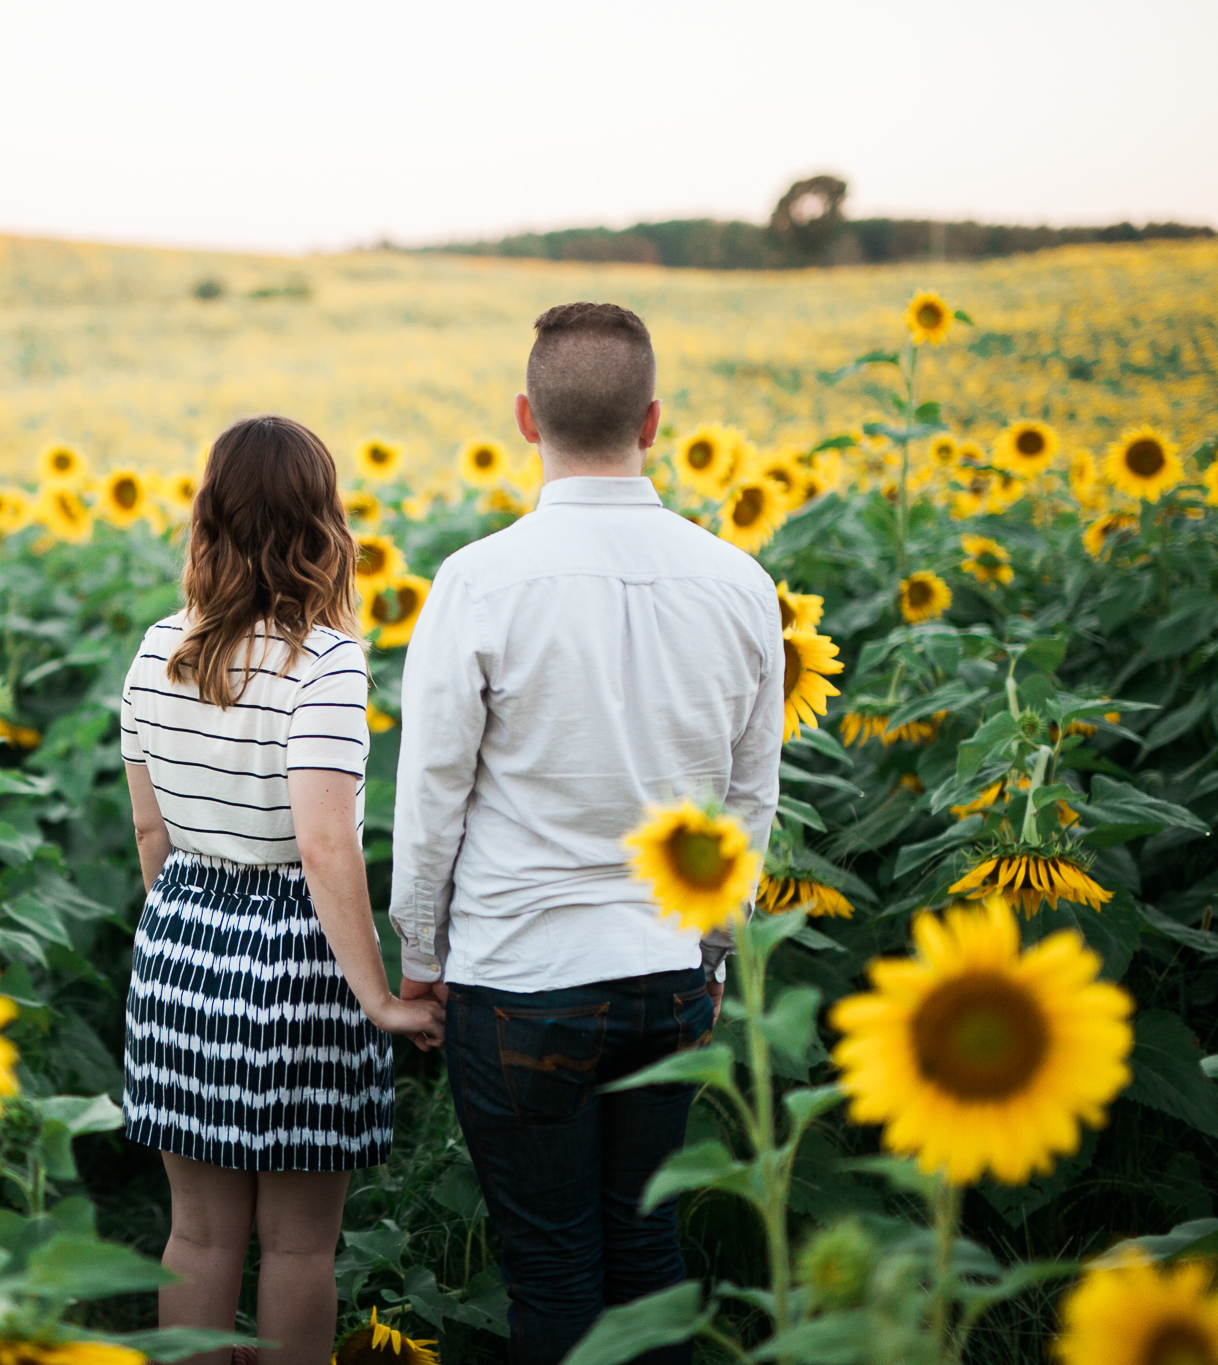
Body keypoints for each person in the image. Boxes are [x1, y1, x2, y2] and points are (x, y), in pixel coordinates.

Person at [389, 302, 783, 1365]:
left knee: (553, 1270)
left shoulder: (479, 581)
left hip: (519, 979)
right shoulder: (740, 584)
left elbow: (429, 794)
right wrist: (713, 954)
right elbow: (751, 801)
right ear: (652, 420)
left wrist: (418, 960)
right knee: (645, 1258)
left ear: (525, 417)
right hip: (664, 972)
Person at [120, 414, 445, 1365]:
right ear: (322, 523)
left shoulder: (157, 649)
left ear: (209, 517)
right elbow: (324, 846)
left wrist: (181, 923)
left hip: (180, 932)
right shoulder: (327, 661)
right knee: (298, 1244)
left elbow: (149, 828)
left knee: (199, 1237)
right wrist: (378, 996)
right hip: (299, 953)